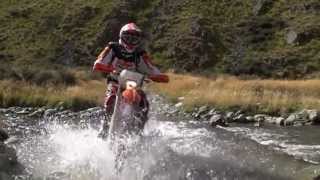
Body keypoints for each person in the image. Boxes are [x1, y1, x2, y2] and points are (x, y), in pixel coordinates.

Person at [93, 23, 169, 137]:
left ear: (139, 40)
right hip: (115, 81)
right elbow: (98, 62)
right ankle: (105, 127)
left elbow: (152, 69)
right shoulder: (112, 48)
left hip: (131, 85)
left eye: (134, 38)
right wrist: (110, 68)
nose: (130, 41)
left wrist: (157, 76)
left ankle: (138, 132)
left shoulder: (140, 54)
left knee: (143, 102)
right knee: (111, 99)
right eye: (127, 37)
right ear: (121, 36)